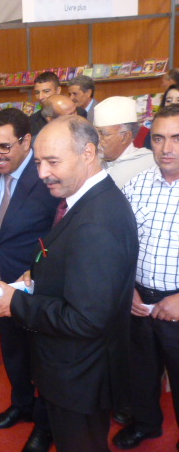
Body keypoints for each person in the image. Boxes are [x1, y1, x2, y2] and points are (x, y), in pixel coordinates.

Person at [0, 115, 138, 452]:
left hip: (80, 376)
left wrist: (17, 302)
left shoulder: (96, 222)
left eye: (53, 162)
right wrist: (37, 277)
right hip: (74, 370)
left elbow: (85, 319)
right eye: (38, 163)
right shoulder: (89, 202)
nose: (42, 173)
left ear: (88, 153)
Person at [0, 107, 59, 452]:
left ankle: (45, 425)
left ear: (26, 141)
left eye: (4, 147)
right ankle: (21, 405)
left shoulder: (46, 178)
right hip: (0, 282)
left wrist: (37, 275)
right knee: (12, 351)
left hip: (35, 288)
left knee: (42, 360)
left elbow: (58, 235)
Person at [113, 104, 179, 450]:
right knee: (140, 372)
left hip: (178, 303)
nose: (167, 148)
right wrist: (127, 290)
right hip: (138, 300)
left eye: (177, 138)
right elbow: (118, 245)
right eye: (158, 138)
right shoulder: (135, 186)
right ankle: (146, 425)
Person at [94, 96, 155, 188]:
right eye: (95, 133)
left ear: (125, 137)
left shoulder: (148, 164)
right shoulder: (92, 163)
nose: (96, 139)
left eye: (103, 134)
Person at [30, 72, 86, 136]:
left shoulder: (80, 113)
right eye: (37, 92)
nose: (40, 97)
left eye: (46, 91)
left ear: (58, 90)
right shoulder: (32, 121)